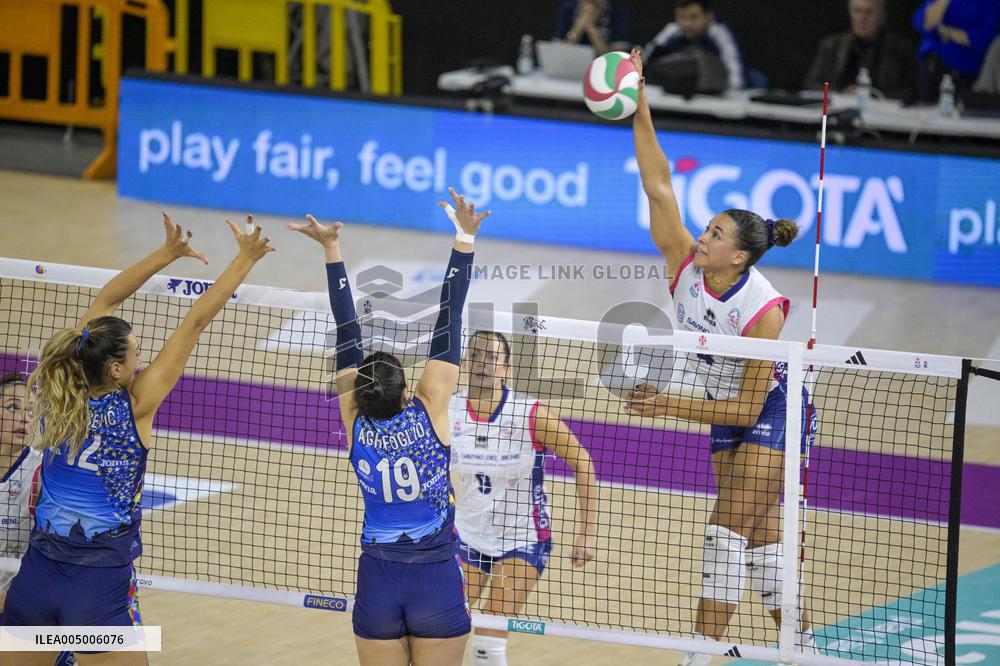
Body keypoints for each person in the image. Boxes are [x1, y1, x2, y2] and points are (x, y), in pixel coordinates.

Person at [0, 214, 273, 665]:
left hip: (37, 581)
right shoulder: (136, 406)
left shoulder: (55, 389)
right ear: (115, 370)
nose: (142, 359)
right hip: (97, 591)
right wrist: (244, 260)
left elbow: (106, 298)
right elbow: (195, 323)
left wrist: (163, 255)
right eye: (136, 353)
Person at [623, 50, 817, 666]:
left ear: (740, 257)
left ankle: (699, 654)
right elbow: (657, 182)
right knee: (760, 537)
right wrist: (639, 101)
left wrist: (663, 405)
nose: (701, 238)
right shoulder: (684, 264)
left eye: (714, 236)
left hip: (772, 408)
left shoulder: (764, 312)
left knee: (724, 532)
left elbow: (747, 402)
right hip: (721, 405)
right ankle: (803, 647)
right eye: (705, 229)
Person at [288, 188, 487, 666]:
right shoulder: (430, 408)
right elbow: (449, 316)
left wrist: (331, 249)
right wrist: (464, 236)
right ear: (406, 392)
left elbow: (345, 330)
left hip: (377, 581)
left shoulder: (353, 419)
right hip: (436, 578)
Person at [449, 330, 598, 666]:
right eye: (475, 356)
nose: (482, 364)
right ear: (464, 362)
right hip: (468, 534)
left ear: (507, 369)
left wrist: (587, 534)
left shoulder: (530, 414)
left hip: (523, 538)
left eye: (492, 358)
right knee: (449, 627)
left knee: (490, 630)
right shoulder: (449, 408)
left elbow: (584, 463)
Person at [802, 0, 917, 101]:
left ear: (882, 17)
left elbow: (910, 92)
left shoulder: (899, 49)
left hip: (884, 115)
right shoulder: (831, 46)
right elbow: (811, 84)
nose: (862, 18)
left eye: (868, 12)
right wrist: (840, 93)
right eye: (857, 11)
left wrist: (873, 96)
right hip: (837, 109)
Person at [643, 0, 745, 93]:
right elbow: (644, 64)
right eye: (682, 17)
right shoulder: (672, 31)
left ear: (708, 17)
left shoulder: (720, 34)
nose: (687, 24)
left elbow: (736, 80)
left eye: (694, 17)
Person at [912, 0, 1000, 102]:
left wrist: (945, 32)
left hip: (966, 73)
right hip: (932, 67)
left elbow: (986, 37)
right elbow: (925, 24)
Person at [553, 0, 630, 54]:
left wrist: (591, 28)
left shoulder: (617, 12)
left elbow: (617, 56)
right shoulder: (568, 8)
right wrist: (579, 25)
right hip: (570, 66)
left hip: (603, 69)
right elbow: (559, 52)